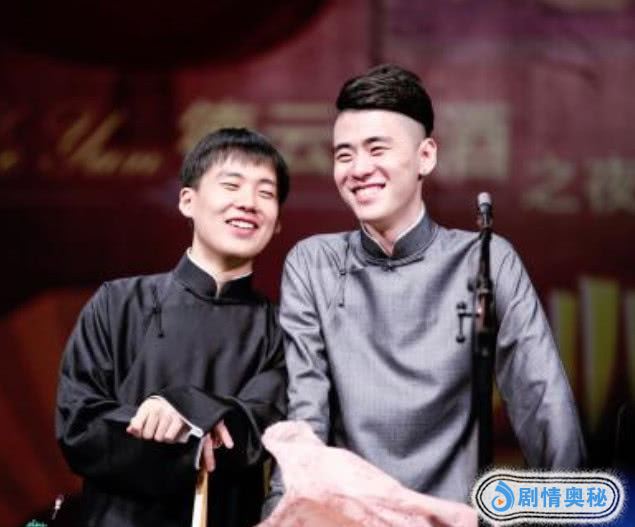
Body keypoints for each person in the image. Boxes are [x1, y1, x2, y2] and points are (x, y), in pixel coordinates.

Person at [264, 64, 585, 513]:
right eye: (344, 155)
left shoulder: (485, 258)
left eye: (377, 148)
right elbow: (305, 420)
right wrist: (282, 514)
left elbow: (543, 404)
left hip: (455, 516)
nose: (359, 169)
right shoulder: (314, 263)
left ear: (426, 156)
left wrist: (568, 513)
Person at [56, 127, 290, 527]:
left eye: (265, 193)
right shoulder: (117, 302)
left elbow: (257, 431)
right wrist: (187, 430)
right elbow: (79, 426)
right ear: (187, 201)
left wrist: (186, 407)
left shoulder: (282, 331)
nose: (248, 202)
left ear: (278, 222)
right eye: (231, 185)